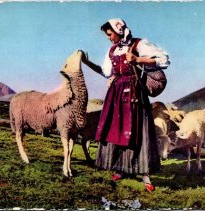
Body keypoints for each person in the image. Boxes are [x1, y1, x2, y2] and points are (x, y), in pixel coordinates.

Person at [82, 18, 170, 192]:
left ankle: (145, 175)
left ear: (119, 31)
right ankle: (121, 169)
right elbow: (107, 72)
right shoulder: (112, 50)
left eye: (110, 34)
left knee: (138, 131)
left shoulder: (139, 44)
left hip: (136, 93)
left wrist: (138, 59)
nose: (108, 38)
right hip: (116, 95)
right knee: (117, 130)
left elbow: (165, 60)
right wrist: (88, 63)